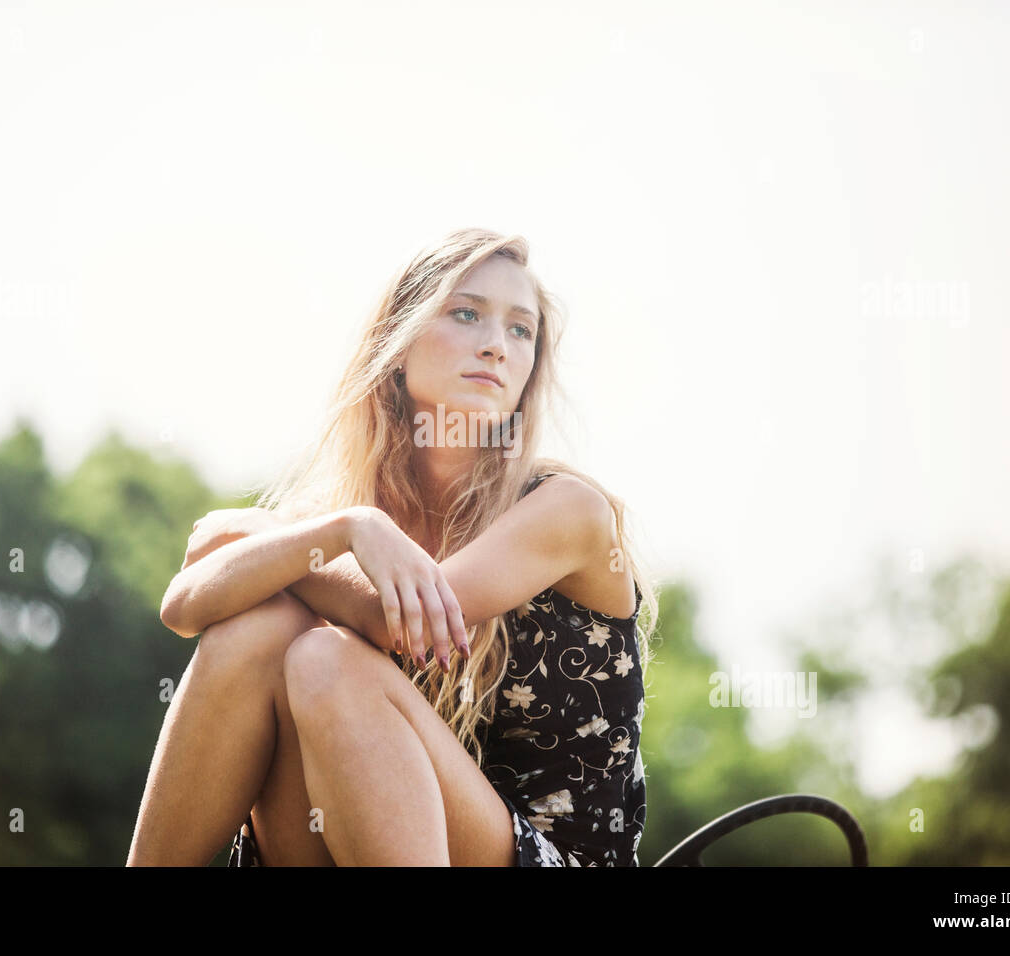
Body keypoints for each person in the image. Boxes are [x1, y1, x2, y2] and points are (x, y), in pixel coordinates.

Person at [126, 228, 658, 866]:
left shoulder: (565, 508)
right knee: (261, 630)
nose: (496, 345)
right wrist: (342, 530)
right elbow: (184, 607)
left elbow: (403, 619)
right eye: (466, 313)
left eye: (522, 331)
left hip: (543, 857)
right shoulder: (345, 521)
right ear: (398, 348)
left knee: (326, 657)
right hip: (367, 838)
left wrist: (270, 540)